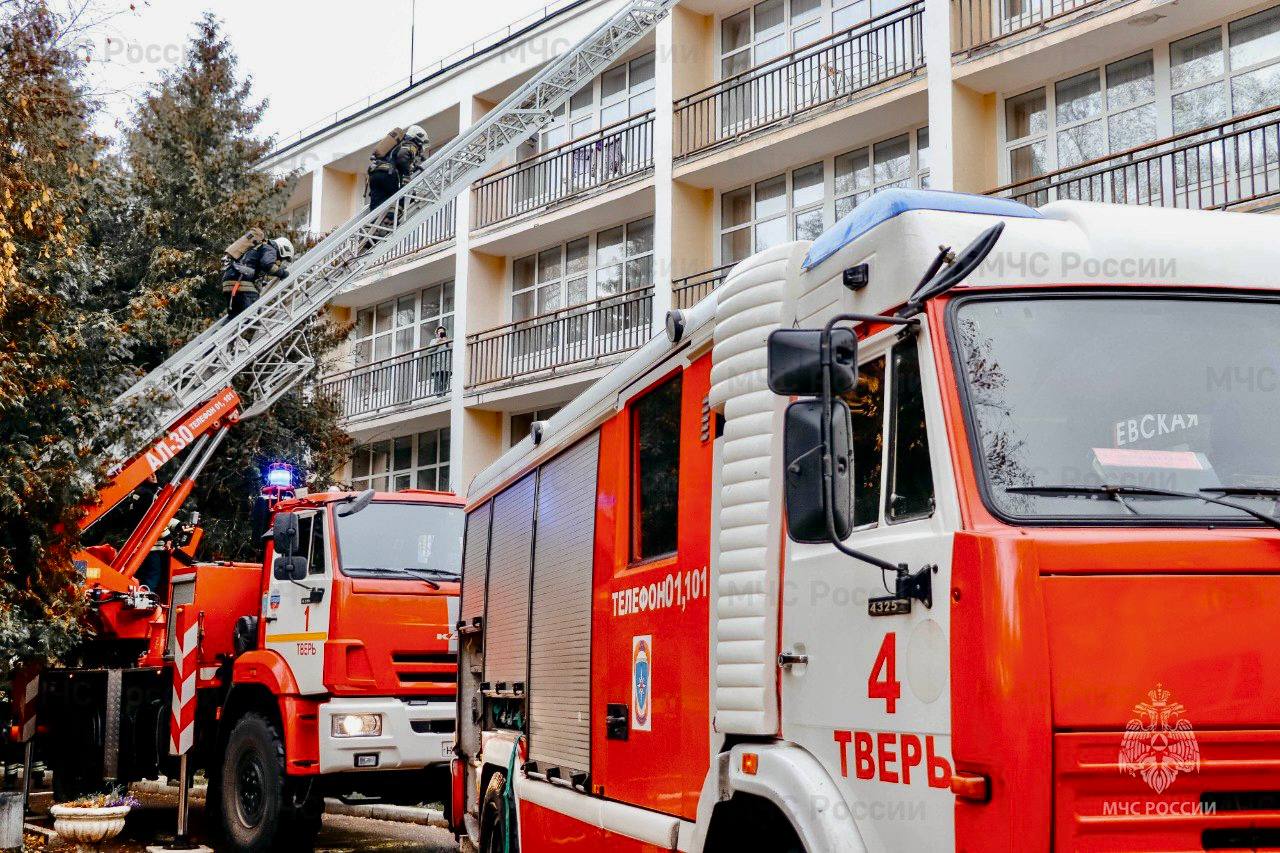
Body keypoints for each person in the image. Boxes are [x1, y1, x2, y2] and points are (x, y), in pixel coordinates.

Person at [222, 236, 295, 320]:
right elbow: (267, 265)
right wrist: (283, 273)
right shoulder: (270, 249)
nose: (279, 261)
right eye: (283, 258)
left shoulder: (259, 247)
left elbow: (250, 265)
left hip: (229, 281)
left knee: (235, 318)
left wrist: (262, 283)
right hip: (241, 282)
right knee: (253, 315)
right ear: (283, 249)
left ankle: (223, 328)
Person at [368, 124, 429, 213]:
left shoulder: (396, 145)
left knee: (376, 206)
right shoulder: (411, 145)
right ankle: (390, 218)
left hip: (375, 174)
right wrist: (406, 176)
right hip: (388, 175)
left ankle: (374, 221)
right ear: (419, 139)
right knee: (404, 197)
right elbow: (402, 156)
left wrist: (414, 168)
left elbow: (396, 159)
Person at [428, 325, 451, 395]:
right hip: (437, 365)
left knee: (445, 382)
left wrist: (446, 341)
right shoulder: (434, 341)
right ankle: (438, 395)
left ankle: (443, 394)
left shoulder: (448, 340)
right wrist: (437, 342)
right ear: (436, 333)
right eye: (439, 331)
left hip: (446, 365)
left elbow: (452, 348)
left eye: (442, 331)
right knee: (437, 381)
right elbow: (429, 350)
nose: (440, 333)